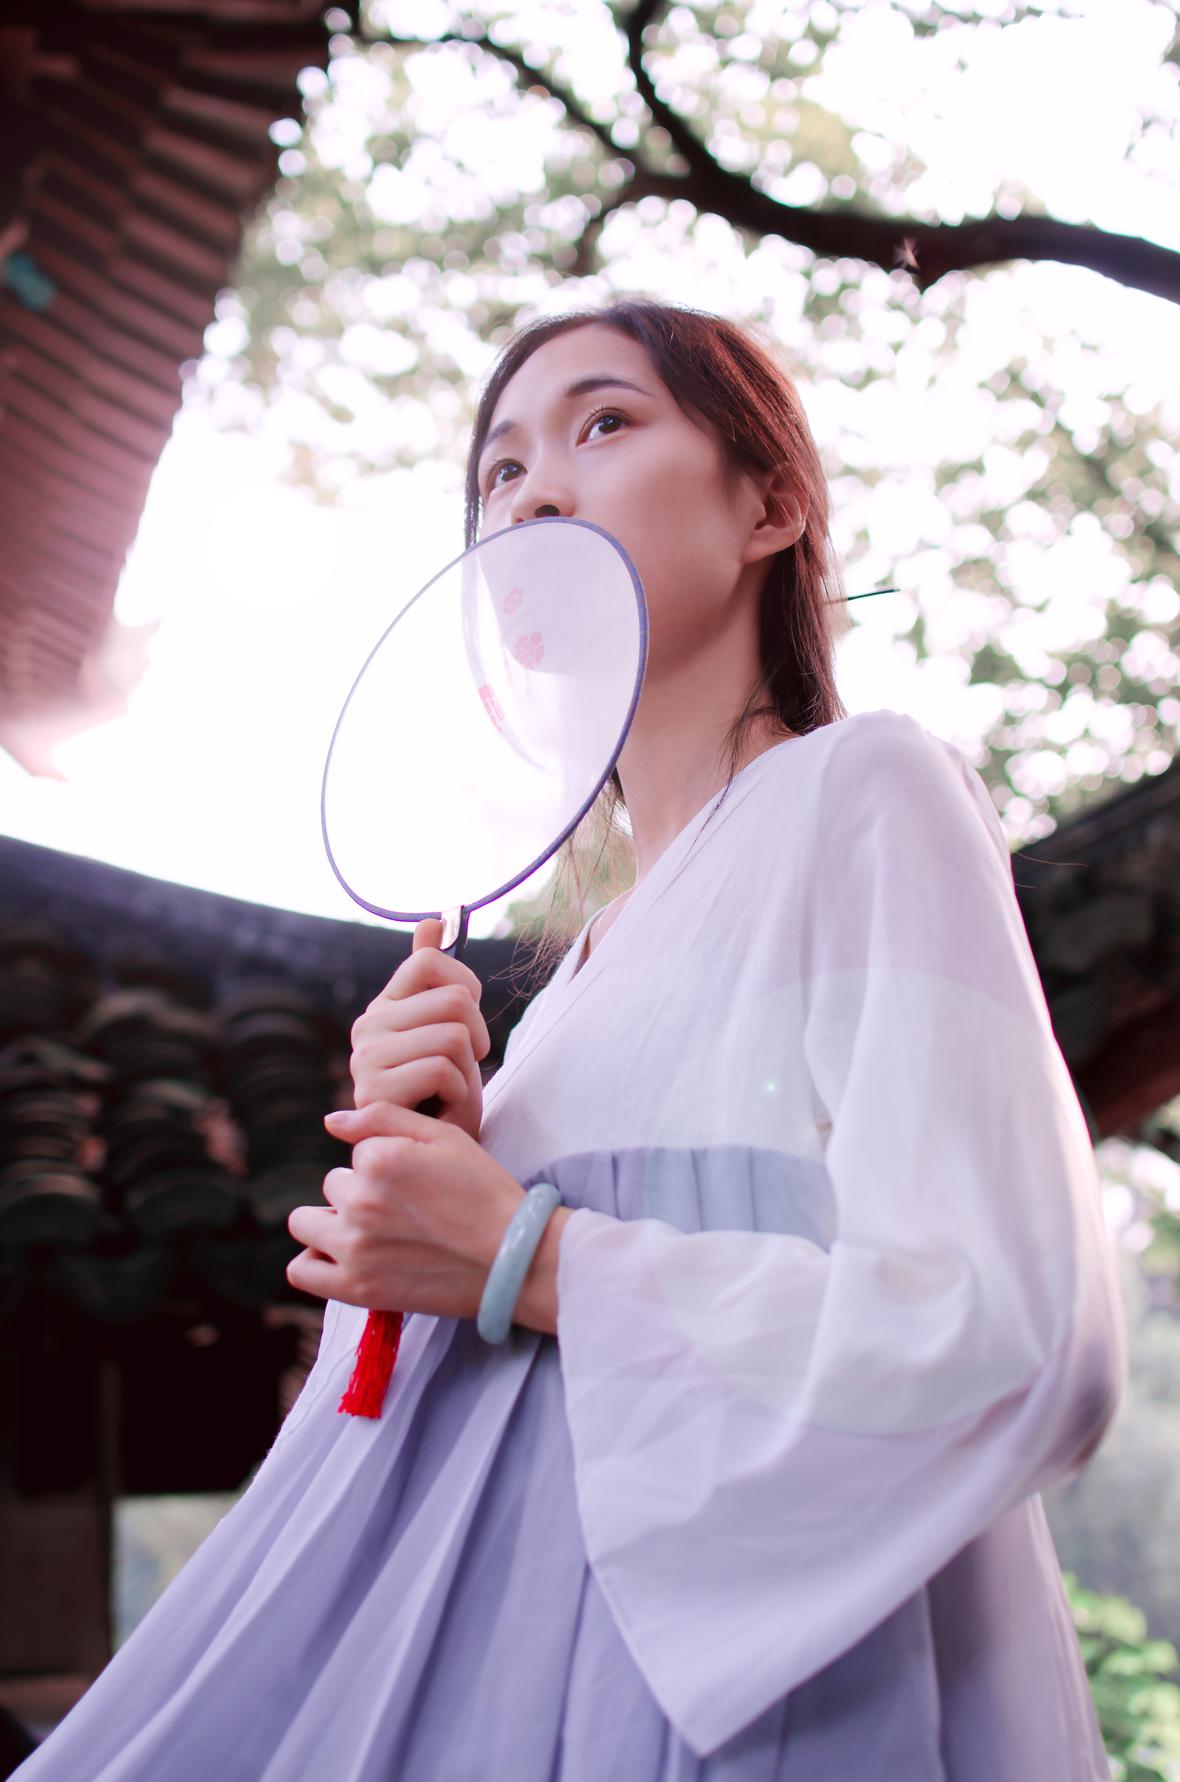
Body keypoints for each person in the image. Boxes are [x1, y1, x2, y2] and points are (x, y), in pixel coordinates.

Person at [14, 299, 1126, 1780]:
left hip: (727, 1705)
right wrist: (421, 1175)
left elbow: (1009, 1332)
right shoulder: (563, 994)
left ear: (770, 507)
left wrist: (525, 1255)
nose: (533, 494)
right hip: (499, 1686)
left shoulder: (865, 788)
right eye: (499, 471)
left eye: (604, 422)